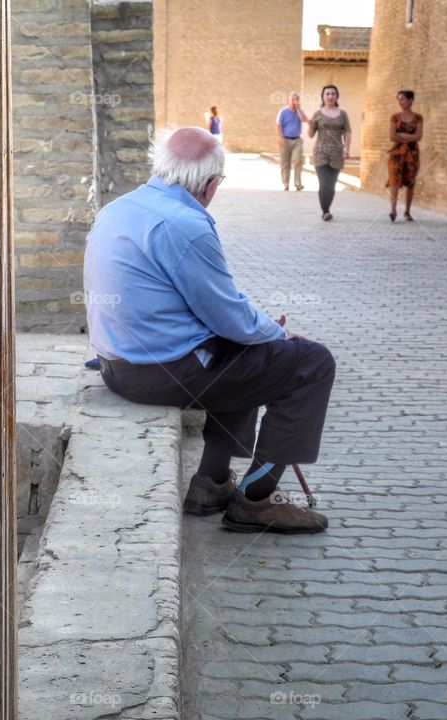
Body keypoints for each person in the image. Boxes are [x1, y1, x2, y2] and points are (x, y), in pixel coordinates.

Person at [83, 127, 336, 534]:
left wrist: (259, 333)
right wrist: (278, 334)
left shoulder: (118, 208)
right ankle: (256, 500)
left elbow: (220, 313)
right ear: (212, 184)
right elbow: (228, 316)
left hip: (118, 367)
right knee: (313, 364)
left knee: (244, 355)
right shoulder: (186, 224)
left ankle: (211, 484)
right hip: (158, 374)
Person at [307, 84, 351, 221]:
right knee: (323, 182)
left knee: (332, 184)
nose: (330, 96)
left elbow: (348, 132)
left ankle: (327, 208)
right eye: (327, 94)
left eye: (333, 94)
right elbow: (311, 135)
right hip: (320, 151)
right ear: (323, 97)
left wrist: (347, 148)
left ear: (337, 96)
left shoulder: (342, 114)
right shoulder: (317, 114)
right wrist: (310, 125)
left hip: (337, 152)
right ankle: (325, 211)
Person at [387, 90, 423, 222]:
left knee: (410, 182)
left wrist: (402, 135)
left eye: (402, 99)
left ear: (410, 100)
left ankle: (407, 212)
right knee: (394, 180)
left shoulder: (418, 118)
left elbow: (419, 136)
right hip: (396, 153)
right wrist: (410, 137)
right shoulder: (395, 117)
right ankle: (393, 210)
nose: (400, 102)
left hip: (412, 154)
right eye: (399, 99)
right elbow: (392, 136)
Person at [276, 92, 307, 191]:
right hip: (285, 139)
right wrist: (280, 137)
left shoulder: (300, 111)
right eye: (292, 100)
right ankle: (286, 184)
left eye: (296, 100)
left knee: (298, 161)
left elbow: (304, 120)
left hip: (297, 140)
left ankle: (298, 183)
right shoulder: (283, 112)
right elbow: (278, 125)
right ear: (288, 101)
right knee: (285, 163)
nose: (294, 102)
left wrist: (298, 109)